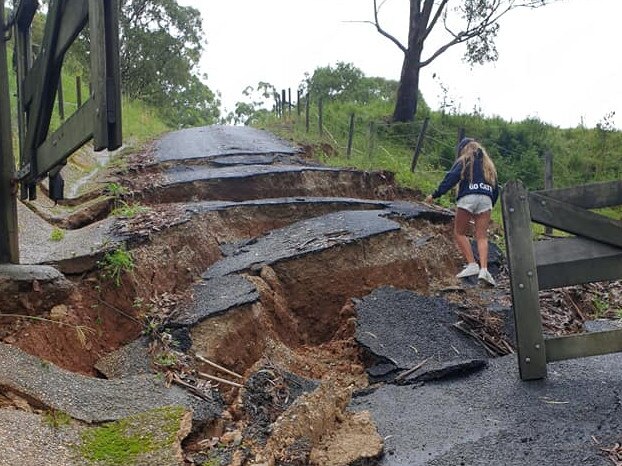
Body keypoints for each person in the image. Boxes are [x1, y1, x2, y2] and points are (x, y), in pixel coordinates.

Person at [425, 137, 499, 286]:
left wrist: (435, 194)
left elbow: (451, 178)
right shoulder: (488, 165)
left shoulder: (465, 160)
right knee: (482, 236)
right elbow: (496, 188)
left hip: (468, 197)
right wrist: (491, 202)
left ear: (464, 149)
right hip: (486, 199)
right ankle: (484, 270)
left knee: (459, 232)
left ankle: (472, 265)